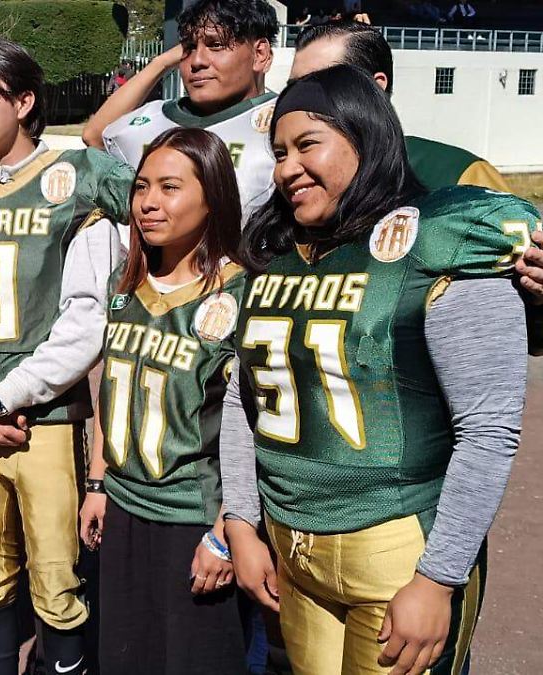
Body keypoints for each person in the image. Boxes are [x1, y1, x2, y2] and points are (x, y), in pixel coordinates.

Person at [220, 64, 538, 675]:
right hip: (292, 545)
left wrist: (439, 578)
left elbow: (489, 430)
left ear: (366, 137)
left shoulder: (437, 239)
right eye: (279, 152)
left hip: (400, 547)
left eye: (308, 144)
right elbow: (244, 399)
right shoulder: (279, 254)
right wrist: (240, 520)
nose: (287, 168)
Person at [0, 38, 133, 675]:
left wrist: (4, 399)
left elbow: (87, 317)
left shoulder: (76, 181)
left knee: (57, 576)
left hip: (46, 419)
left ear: (25, 100)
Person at [79, 127, 250, 674]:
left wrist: (226, 533)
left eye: (170, 187)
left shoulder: (242, 294)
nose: (148, 202)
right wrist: (99, 483)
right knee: (125, 658)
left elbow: (257, 431)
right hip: (125, 509)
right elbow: (111, 389)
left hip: (193, 520)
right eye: (142, 186)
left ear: (213, 195)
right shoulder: (124, 284)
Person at [84, 0, 279, 221]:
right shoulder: (153, 117)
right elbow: (96, 136)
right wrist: (161, 62)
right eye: (189, 48)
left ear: (260, 53)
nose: (196, 61)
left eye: (215, 45)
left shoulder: (284, 122)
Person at [288, 20, 511, 192]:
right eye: (294, 88)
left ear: (374, 88)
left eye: (322, 83)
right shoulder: (293, 183)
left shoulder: (456, 176)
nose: (299, 100)